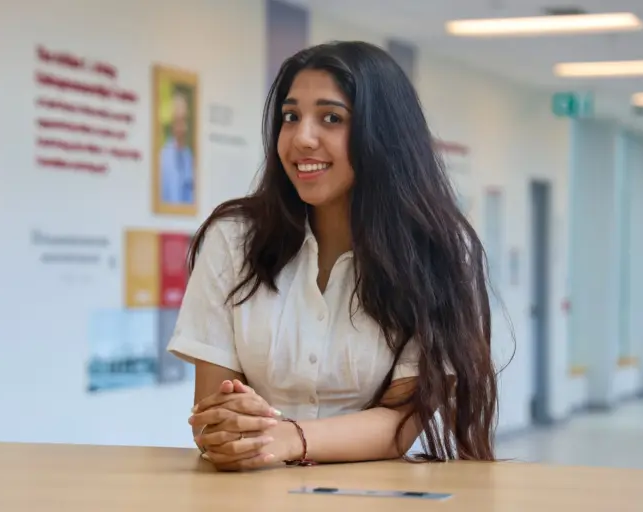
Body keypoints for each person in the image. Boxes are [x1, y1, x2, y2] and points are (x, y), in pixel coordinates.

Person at [167, 41, 497, 472]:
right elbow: (212, 416)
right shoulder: (232, 238)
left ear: (384, 135)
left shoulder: (437, 253)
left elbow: (399, 423)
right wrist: (230, 431)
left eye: (331, 118)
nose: (302, 138)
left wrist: (288, 438)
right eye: (290, 117)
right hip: (251, 490)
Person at [160, 91, 195, 205]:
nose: (183, 127)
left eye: (185, 120)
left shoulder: (189, 157)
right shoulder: (162, 158)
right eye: (179, 121)